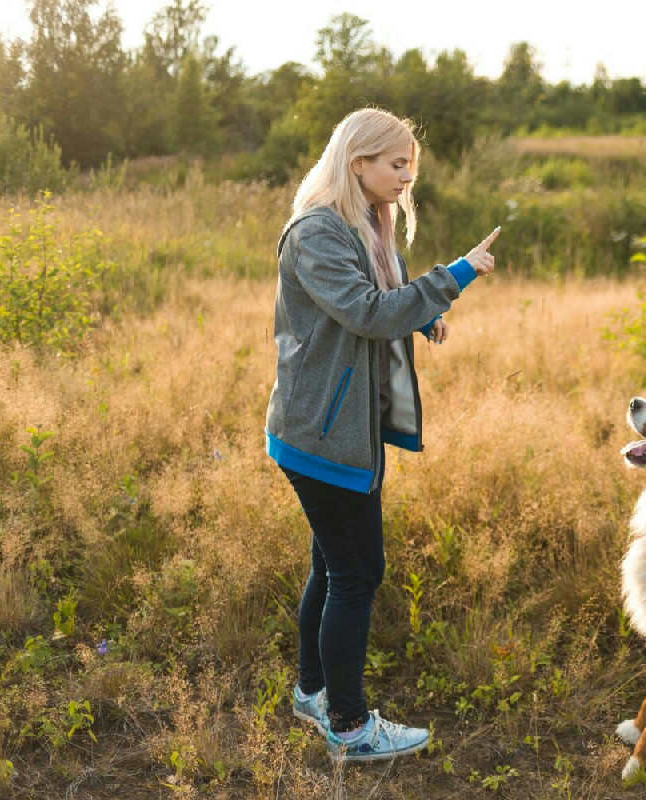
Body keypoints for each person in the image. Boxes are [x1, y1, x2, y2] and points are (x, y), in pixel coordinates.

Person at [264, 107, 500, 763]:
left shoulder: (364, 224)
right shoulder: (317, 232)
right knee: (359, 572)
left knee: (332, 566)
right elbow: (367, 313)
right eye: (397, 164)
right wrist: (454, 276)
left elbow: (377, 296)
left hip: (339, 431)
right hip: (321, 437)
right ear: (358, 161)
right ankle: (349, 725)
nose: (406, 177)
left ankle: (313, 692)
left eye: (409, 166)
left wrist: (423, 320)